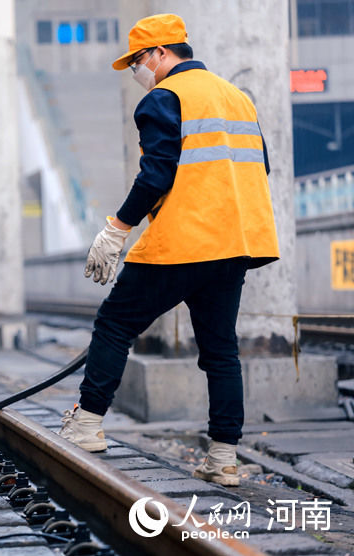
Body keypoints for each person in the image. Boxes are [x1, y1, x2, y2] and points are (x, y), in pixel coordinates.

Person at [57, 13, 279, 487]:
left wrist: (117, 229)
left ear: (162, 52)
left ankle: (88, 424)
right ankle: (223, 458)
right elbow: (261, 167)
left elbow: (157, 175)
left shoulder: (165, 98)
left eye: (138, 59)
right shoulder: (237, 98)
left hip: (183, 243)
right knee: (220, 349)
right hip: (233, 244)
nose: (137, 70)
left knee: (115, 324)